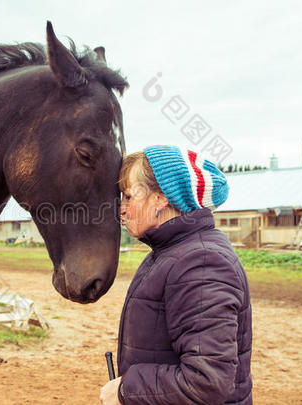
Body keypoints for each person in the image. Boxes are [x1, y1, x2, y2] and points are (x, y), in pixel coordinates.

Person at [99, 145, 252, 405]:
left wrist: (127, 390)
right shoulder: (171, 254)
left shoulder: (201, 263)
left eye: (128, 196)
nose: (121, 209)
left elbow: (206, 381)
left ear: (160, 199)